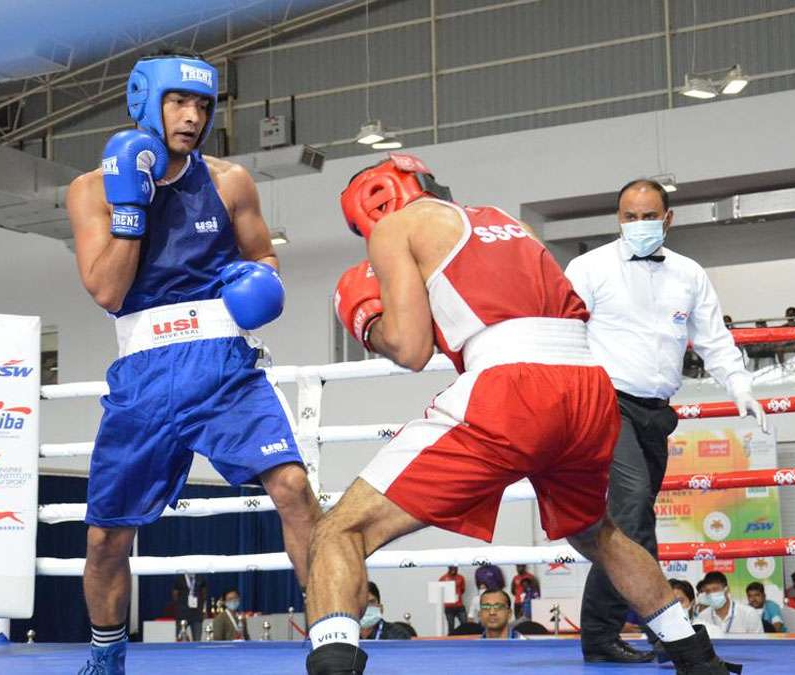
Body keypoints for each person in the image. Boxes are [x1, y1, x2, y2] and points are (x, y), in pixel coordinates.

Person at [304, 154, 735, 675]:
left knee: (338, 531)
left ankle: (332, 667)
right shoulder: (508, 221)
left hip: (514, 387)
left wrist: (367, 319)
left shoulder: (398, 225)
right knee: (600, 533)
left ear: (372, 204)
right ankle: (696, 657)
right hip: (589, 389)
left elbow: (412, 349)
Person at [69, 52, 323, 675]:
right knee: (106, 537)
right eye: (179, 102)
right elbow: (106, 291)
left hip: (223, 364)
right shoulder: (89, 189)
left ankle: (332, 637)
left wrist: (256, 280)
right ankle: (106, 657)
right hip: (145, 373)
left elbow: (264, 257)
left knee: (292, 488)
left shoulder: (230, 180)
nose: (192, 117)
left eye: (203, 106)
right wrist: (134, 210)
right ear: (145, 102)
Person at [564, 178, 766, 664]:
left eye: (648, 216)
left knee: (636, 522)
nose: (639, 225)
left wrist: (740, 386)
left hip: (656, 412)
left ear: (668, 218)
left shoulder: (689, 274)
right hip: (603, 402)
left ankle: (657, 627)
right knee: (631, 515)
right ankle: (612, 632)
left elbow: (713, 338)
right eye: (629, 217)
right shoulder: (588, 268)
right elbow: (561, 330)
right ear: (618, 219)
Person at [692, 572, 763, 635]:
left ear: (727, 589)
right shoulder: (702, 617)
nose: (711, 594)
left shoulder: (749, 614)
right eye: (708, 591)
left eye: (715, 589)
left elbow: (759, 645)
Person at [172, 573, 207, 640]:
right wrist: (180, 605)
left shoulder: (200, 577)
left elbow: (204, 594)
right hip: (182, 614)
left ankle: (196, 651)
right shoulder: (180, 578)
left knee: (197, 639)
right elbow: (175, 594)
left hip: (197, 613)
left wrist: (204, 610)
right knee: (180, 638)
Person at [438, 566, 466, 631]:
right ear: (449, 568)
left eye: (455, 569)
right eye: (452, 568)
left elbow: (463, 590)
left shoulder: (461, 577)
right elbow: (439, 590)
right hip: (449, 606)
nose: (454, 570)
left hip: (459, 605)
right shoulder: (443, 578)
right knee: (451, 626)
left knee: (465, 624)